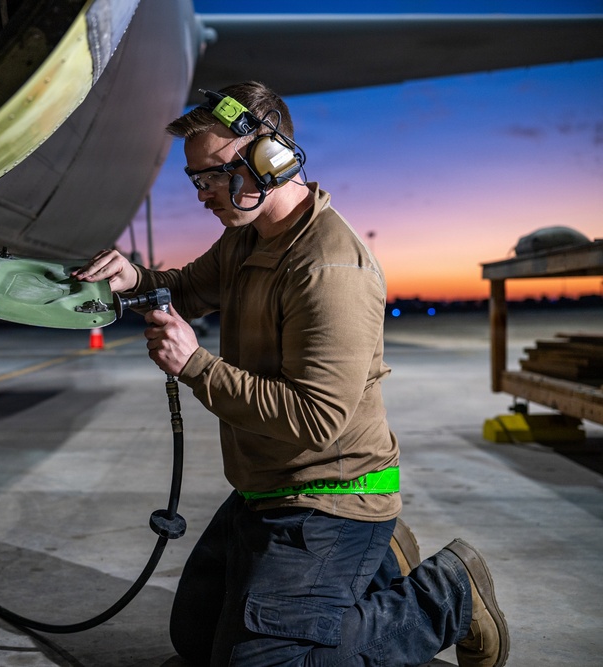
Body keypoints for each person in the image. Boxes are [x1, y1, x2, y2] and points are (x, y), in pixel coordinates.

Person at [73, 81, 508, 666]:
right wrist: (135, 276)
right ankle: (381, 566)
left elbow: (316, 418)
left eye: (214, 174)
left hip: (330, 494)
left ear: (270, 157)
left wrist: (196, 366)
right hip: (266, 490)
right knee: (195, 641)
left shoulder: (329, 265)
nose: (202, 193)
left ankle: (446, 597)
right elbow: (185, 288)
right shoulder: (245, 240)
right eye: (195, 178)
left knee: (263, 663)